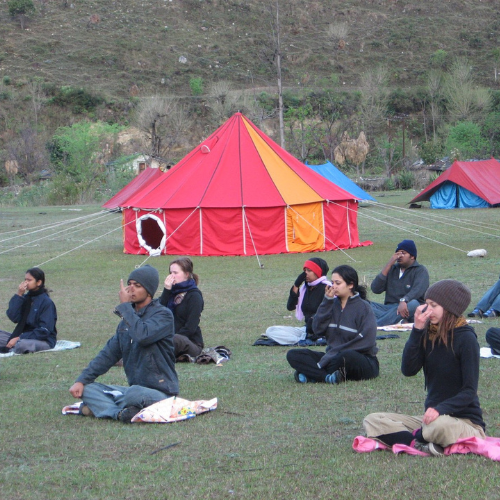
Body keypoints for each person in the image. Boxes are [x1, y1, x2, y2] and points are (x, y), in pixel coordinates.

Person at [363, 279, 485, 456]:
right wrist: (417, 330)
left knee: (437, 426)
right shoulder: (429, 333)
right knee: (373, 420)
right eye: (426, 304)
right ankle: (417, 443)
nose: (428, 310)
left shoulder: (466, 338)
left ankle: (416, 439)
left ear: (449, 307)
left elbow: (469, 391)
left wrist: (440, 410)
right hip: (430, 419)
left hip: (463, 422)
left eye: (434, 305)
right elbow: (408, 370)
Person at [69, 265, 178, 423]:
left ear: (149, 291)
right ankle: (120, 413)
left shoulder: (163, 315)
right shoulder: (125, 323)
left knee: (133, 394)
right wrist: (81, 380)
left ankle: (104, 408)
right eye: (129, 284)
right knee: (88, 389)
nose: (130, 289)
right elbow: (107, 355)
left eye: (137, 286)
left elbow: (142, 335)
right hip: (133, 391)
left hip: (161, 393)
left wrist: (125, 307)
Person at [286, 265, 379, 384]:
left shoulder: (364, 308)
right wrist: (326, 302)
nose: (333, 286)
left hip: (359, 358)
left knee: (344, 357)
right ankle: (327, 377)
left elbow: (368, 341)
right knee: (293, 355)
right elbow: (317, 330)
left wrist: (337, 352)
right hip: (332, 356)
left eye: (338, 283)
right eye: (332, 282)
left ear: (350, 285)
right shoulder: (331, 304)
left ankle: (312, 374)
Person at [265, 258, 330, 345]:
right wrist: (296, 285)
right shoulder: (305, 288)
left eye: (309, 270)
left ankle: (302, 340)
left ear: (318, 272)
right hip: (306, 330)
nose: (305, 273)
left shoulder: (328, 288)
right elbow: (290, 307)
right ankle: (302, 340)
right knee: (270, 330)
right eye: (305, 270)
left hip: (322, 330)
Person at [370, 239, 429, 326]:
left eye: (403, 253)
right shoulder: (392, 269)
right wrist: (389, 264)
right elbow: (375, 289)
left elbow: (418, 290)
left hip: (408, 307)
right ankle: (397, 320)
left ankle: (378, 323)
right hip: (389, 309)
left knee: (414, 304)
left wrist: (404, 300)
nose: (399, 256)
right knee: (365, 303)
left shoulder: (420, 270)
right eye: (397, 253)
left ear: (412, 256)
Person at [0, 267, 57, 354]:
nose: (25, 283)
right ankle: (13, 345)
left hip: (42, 340)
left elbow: (44, 330)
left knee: (21, 345)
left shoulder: (46, 302)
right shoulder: (26, 298)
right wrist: (19, 295)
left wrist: (20, 338)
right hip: (22, 336)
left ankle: (13, 346)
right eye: (25, 280)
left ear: (39, 282)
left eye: (29, 280)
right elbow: (13, 316)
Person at [159, 257, 204, 359]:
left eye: (175, 273)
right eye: (170, 273)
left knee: (175, 339)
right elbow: (158, 312)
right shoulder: (170, 293)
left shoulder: (194, 295)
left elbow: (190, 327)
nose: (172, 276)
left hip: (189, 342)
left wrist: (168, 338)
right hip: (169, 338)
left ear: (186, 274)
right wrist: (166, 290)